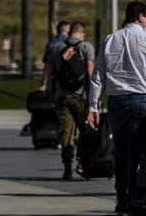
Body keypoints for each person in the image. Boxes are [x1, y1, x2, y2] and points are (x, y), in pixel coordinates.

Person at [87, 1, 146, 215]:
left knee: (120, 151)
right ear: (140, 17)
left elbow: (98, 77)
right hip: (141, 100)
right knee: (138, 151)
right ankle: (134, 195)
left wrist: (93, 106)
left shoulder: (110, 39)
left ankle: (121, 197)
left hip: (116, 101)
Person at [50, 22, 95, 180]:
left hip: (62, 97)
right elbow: (90, 73)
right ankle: (82, 163)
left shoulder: (57, 47)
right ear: (83, 33)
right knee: (84, 131)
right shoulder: (86, 47)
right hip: (80, 97)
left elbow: (51, 72)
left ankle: (67, 167)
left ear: (70, 32)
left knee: (66, 132)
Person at [39, 20, 70, 91]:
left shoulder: (50, 44)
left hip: (54, 77)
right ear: (65, 30)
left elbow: (46, 64)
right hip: (68, 76)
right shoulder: (70, 42)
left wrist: (43, 84)